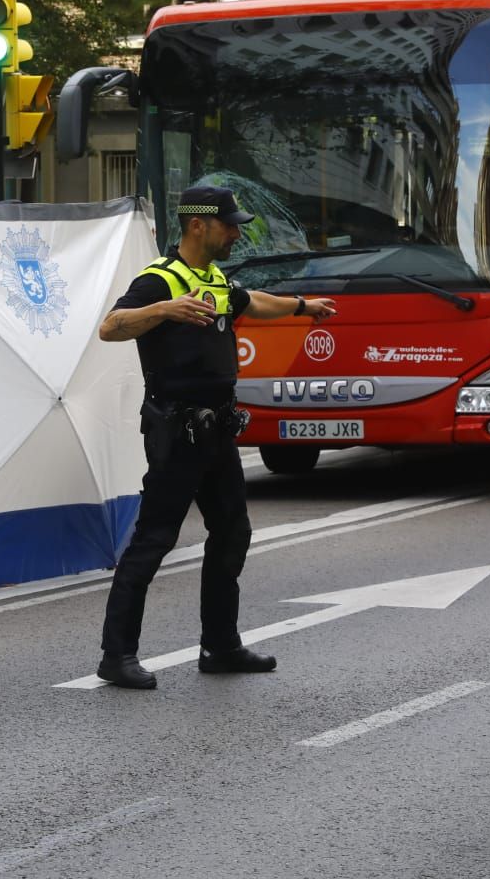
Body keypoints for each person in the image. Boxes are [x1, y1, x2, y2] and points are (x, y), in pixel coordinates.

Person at [95, 185, 337, 690]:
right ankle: (116, 656)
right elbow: (111, 326)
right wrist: (164, 311)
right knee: (155, 539)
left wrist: (302, 306)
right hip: (177, 431)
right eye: (229, 224)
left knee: (233, 532)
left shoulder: (216, 278)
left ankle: (220, 646)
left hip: (217, 430)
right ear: (197, 225)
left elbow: (252, 302)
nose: (236, 232)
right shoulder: (160, 281)